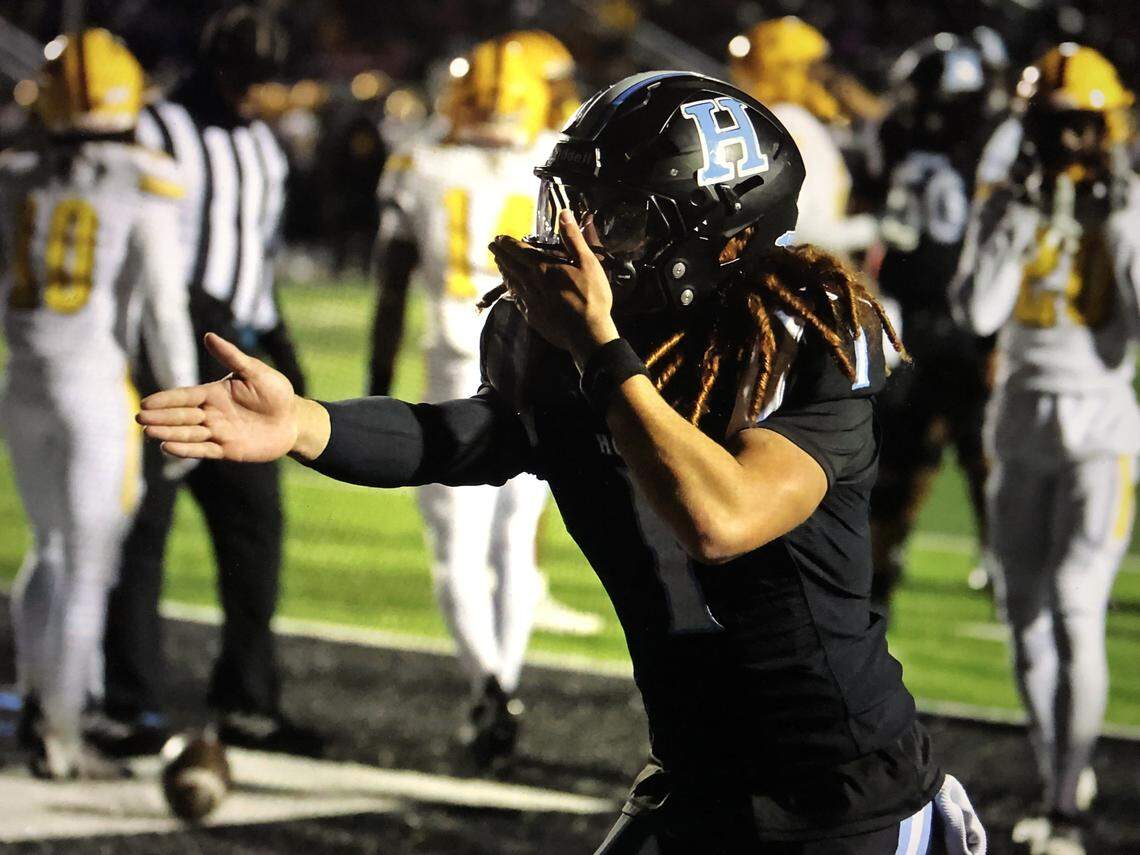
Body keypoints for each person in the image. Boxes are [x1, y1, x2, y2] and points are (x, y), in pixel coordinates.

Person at [138, 72, 986, 853]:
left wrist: (601, 353)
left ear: (717, 238)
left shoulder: (797, 341)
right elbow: (466, 435)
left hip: (842, 791)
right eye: (573, 205)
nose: (582, 238)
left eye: (617, 217)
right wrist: (304, 422)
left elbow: (721, 518)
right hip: (696, 772)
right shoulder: (569, 352)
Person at [367, 32, 601, 768]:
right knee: (514, 540)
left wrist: (376, 382)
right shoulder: (557, 160)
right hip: (537, 359)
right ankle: (507, 681)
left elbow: (391, 283)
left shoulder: (419, 164)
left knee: (458, 545)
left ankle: (487, 685)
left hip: (451, 359)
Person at [98, 4, 319, 757]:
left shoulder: (263, 146)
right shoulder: (154, 129)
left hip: (235, 368)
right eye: (248, 76)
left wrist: (280, 343)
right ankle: (128, 701)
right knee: (141, 531)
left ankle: (247, 701)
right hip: (157, 360)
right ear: (218, 68)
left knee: (255, 531)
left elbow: (255, 262)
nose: (260, 92)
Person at [952, 44, 1139, 855]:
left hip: (1100, 424)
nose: (1068, 142)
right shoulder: (1007, 202)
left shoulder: (1131, 207)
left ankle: (1065, 806)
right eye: (1053, 125)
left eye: (1080, 125)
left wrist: (1121, 227)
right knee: (1023, 609)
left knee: (1074, 600)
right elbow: (978, 312)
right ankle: (1055, 768)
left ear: (1107, 127)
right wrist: (1021, 221)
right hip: (1020, 421)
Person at [0, 29, 197, 778]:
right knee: (89, 565)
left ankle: (34, 700)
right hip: (93, 388)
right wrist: (183, 406)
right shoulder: (144, 180)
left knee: (46, 546)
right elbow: (164, 311)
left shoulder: (16, 173)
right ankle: (59, 731)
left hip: (23, 383)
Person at [868, 35, 993, 611]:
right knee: (903, 454)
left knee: (974, 451)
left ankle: (998, 558)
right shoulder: (906, 137)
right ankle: (881, 567)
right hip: (916, 317)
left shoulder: (982, 147)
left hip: (954, 319)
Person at [728, 17, 879, 255]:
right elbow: (797, 228)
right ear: (785, 69)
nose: (822, 77)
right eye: (812, 68)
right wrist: (871, 230)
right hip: (790, 262)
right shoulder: (788, 120)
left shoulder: (788, 119)